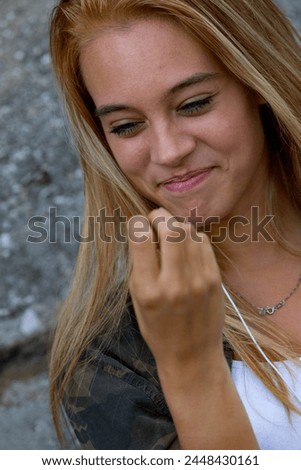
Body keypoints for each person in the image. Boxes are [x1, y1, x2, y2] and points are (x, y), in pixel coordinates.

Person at [48, 0, 301, 450]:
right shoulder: (109, 361)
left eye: (194, 104)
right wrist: (189, 368)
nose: (167, 152)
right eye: (127, 126)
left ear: (256, 79)